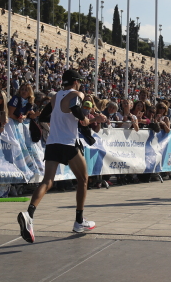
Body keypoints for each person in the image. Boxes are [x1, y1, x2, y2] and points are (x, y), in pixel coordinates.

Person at [17, 69, 107, 242]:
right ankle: (79, 221)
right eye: (79, 81)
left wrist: (61, 121)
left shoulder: (55, 96)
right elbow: (78, 114)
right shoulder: (77, 94)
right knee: (83, 179)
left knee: (47, 181)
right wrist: (95, 120)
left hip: (52, 143)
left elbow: (43, 116)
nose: (80, 85)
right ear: (75, 82)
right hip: (67, 143)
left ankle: (29, 214)